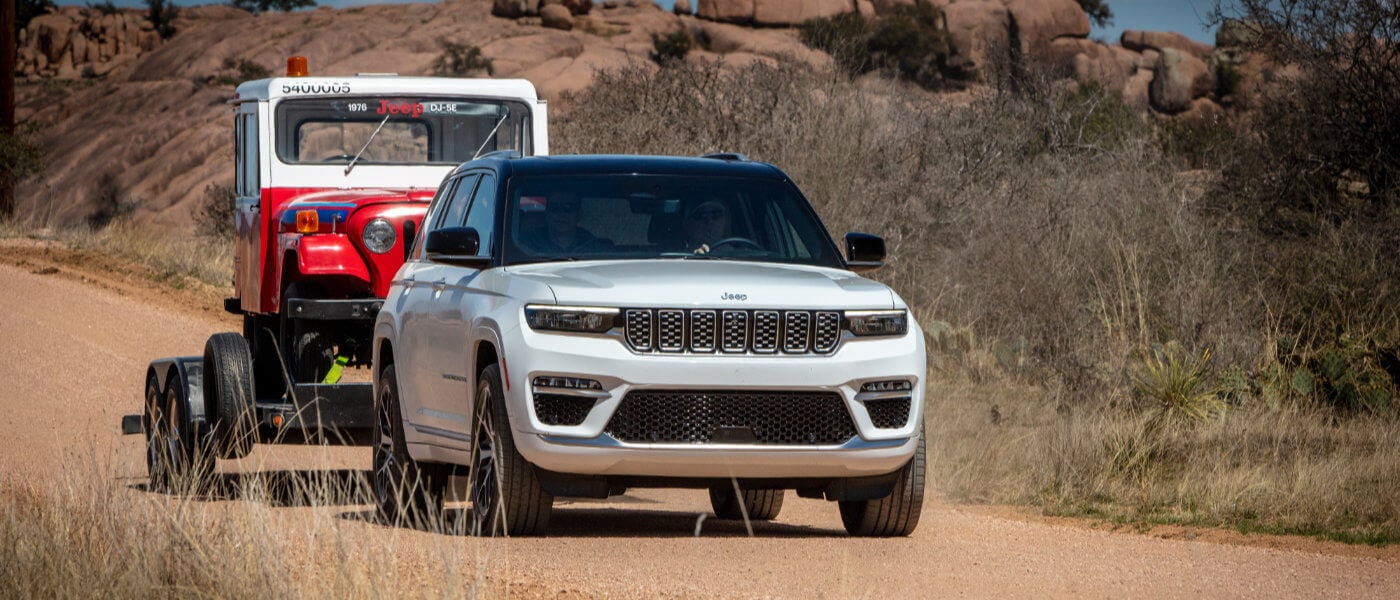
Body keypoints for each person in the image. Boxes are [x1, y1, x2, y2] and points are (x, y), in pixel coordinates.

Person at [527, 191, 605, 253]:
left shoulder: (594, 248)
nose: (561, 214)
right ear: (546, 213)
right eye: (555, 208)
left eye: (569, 208)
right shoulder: (527, 245)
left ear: (579, 214)